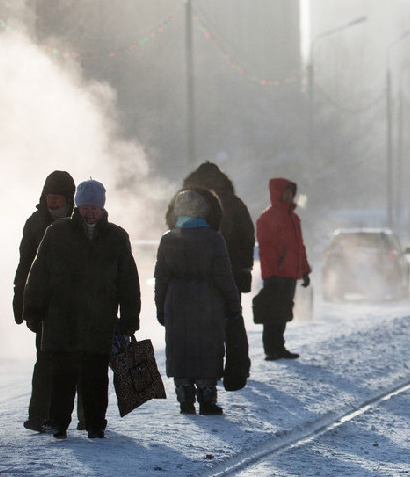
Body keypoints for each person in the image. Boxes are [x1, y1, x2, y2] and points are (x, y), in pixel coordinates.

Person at [24, 179, 141, 439]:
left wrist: (130, 316)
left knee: (95, 374)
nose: (90, 212)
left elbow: (128, 280)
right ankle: (58, 422)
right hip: (61, 316)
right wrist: (32, 308)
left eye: (94, 207)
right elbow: (39, 272)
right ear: (77, 207)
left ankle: (95, 423)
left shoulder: (117, 237)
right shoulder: (57, 232)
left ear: (102, 208)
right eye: (85, 207)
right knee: (62, 374)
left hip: (99, 317)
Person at [155, 189, 242, 415]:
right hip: (208, 299)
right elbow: (224, 275)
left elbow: (161, 277)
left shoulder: (168, 239)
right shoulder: (213, 238)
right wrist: (234, 304)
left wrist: (160, 306)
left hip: (176, 299)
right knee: (208, 346)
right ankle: (207, 398)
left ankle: (184, 396)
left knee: (179, 346)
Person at [13, 170, 78, 432]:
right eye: (50, 196)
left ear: (68, 199)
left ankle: (83, 416)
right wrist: (21, 299)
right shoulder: (35, 223)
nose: (52, 201)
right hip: (45, 304)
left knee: (77, 361)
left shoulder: (80, 222)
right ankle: (38, 415)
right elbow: (25, 264)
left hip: (76, 303)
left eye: (58, 197)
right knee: (45, 360)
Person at [165, 161, 255, 296]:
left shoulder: (183, 200)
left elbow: (172, 227)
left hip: (190, 268)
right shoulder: (234, 203)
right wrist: (245, 267)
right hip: (230, 267)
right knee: (228, 306)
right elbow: (247, 236)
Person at [255, 178, 311, 360]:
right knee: (272, 312)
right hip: (277, 273)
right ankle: (270, 349)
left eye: (290, 192)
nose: (288, 196)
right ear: (277, 193)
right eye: (285, 192)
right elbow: (266, 248)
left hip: (290, 273)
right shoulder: (267, 217)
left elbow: (299, 247)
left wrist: (304, 271)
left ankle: (279, 347)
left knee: (284, 311)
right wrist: (271, 273)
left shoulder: (293, 218)